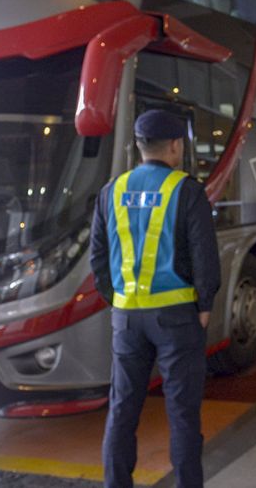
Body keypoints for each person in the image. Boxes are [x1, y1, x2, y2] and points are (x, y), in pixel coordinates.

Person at [90, 109, 221, 488]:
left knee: (122, 410)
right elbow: (204, 257)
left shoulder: (110, 191)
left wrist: (115, 300)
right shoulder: (187, 190)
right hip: (177, 318)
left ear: (139, 146)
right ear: (176, 146)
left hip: (127, 319)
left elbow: (97, 259)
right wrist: (205, 306)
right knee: (182, 415)